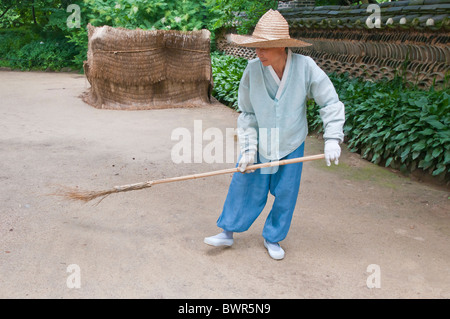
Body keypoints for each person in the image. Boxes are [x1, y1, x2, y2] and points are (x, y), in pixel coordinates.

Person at [204, 9, 345, 260]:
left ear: (282, 47)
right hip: (260, 142)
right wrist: (248, 149)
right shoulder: (252, 69)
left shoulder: (306, 67)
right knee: (244, 183)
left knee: (286, 192)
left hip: (292, 140)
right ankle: (227, 231)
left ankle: (273, 237)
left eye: (265, 48)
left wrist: (332, 137)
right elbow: (247, 113)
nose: (259, 52)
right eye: (257, 47)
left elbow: (330, 102)